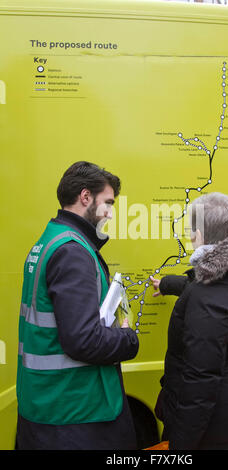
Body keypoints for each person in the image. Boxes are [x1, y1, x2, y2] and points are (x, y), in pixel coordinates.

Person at [16, 161, 139, 450]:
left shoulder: (51, 239)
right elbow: (84, 340)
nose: (110, 212)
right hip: (75, 411)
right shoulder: (73, 251)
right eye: (107, 202)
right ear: (85, 197)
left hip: (48, 404)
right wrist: (128, 338)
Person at [151, 192, 228, 450]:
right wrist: (168, 283)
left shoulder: (206, 295)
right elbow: (209, 288)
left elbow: (201, 381)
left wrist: (180, 445)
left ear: (200, 235)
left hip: (214, 429)